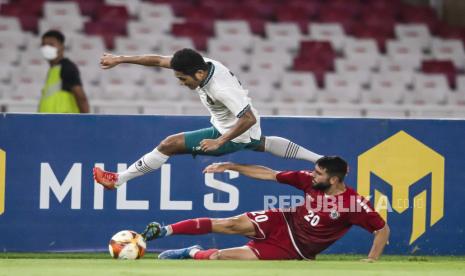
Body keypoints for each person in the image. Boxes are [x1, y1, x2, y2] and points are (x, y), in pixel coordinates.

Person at [93, 48, 323, 189]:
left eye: (183, 79)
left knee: (168, 145)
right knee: (261, 142)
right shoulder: (200, 64)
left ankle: (118, 180)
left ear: (200, 74)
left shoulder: (220, 89)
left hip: (232, 131)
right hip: (235, 127)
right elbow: (157, 60)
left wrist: (219, 141)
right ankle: (320, 159)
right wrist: (120, 59)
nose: (181, 83)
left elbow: (249, 118)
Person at [141, 156, 390, 261]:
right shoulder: (307, 180)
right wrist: (231, 165)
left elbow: (382, 229)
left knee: (222, 257)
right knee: (229, 223)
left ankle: (193, 252)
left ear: (334, 180)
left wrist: (372, 259)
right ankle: (165, 231)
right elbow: (269, 174)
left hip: (293, 248)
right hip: (283, 220)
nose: (312, 175)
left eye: (319, 173)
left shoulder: (354, 204)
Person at [39, 30, 89, 113]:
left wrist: (86, 122)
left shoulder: (67, 68)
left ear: (62, 47)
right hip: (51, 122)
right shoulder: (53, 70)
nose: (46, 48)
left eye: (51, 45)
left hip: (63, 122)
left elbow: (81, 97)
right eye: (44, 45)